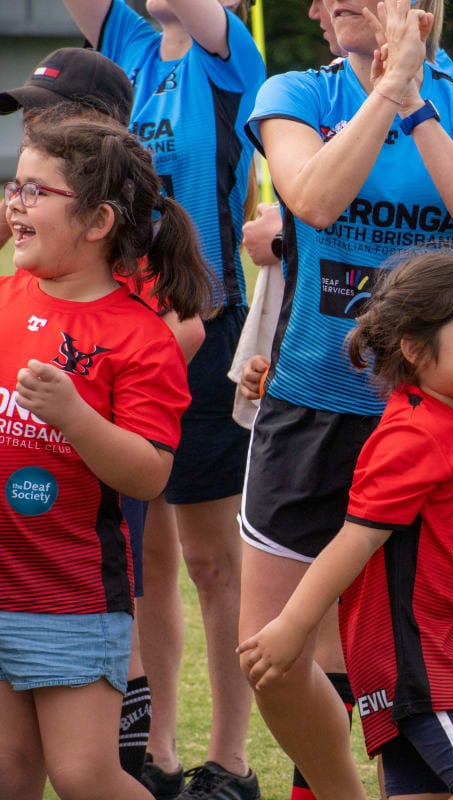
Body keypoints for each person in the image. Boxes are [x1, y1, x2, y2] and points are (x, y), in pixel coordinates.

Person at [236, 0, 453, 798]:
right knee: (271, 655)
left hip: (431, 420)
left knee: (397, 653)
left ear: (425, 10)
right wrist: (383, 88)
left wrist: (416, 101)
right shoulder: (297, 93)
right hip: (308, 405)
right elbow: (314, 200)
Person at [59, 2, 266, 797]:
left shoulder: (228, 51)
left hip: (204, 333)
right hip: (119, 334)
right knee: (146, 562)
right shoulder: (131, 45)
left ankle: (231, 760)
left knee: (215, 563)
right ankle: (161, 750)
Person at [238, 251, 453, 800]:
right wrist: (292, 626)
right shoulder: (414, 435)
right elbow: (355, 540)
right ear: (415, 349)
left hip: (451, 656)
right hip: (422, 666)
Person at [0, 45, 209, 785]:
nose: (14, 203)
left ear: (96, 223)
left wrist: (74, 417)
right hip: (3, 574)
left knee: (85, 776)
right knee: (8, 773)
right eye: (15, 187)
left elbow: (150, 475)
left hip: (72, 595)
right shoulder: (7, 298)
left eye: (35, 192)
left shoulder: (138, 335)